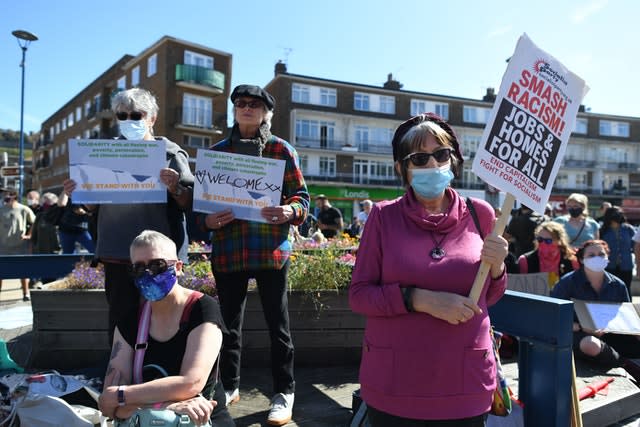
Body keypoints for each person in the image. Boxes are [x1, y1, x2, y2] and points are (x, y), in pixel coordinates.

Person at [349, 113, 508, 425]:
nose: (433, 165)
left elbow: (492, 295)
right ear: (402, 169)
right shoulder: (382, 217)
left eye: (441, 154)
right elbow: (359, 296)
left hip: (466, 381)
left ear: (454, 160)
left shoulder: (482, 214)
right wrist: (420, 300)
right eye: (420, 158)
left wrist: (499, 265)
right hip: (395, 384)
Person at [202, 84, 309, 426]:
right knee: (227, 326)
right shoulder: (217, 152)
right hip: (229, 251)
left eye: (254, 104)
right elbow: (200, 206)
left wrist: (289, 212)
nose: (247, 108)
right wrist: (207, 219)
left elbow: (302, 198)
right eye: (241, 103)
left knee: (278, 326)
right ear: (234, 110)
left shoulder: (281, 149)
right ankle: (229, 386)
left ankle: (284, 391)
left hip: (270, 251)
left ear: (266, 112)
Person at [62, 87, 194, 341]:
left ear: (152, 118)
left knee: (163, 315)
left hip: (159, 257)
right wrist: (78, 193)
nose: (129, 121)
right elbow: (91, 208)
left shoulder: (170, 153)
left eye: (137, 115)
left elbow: (190, 202)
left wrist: (175, 187)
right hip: (117, 251)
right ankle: (118, 371)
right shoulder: (101, 155)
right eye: (122, 116)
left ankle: (158, 369)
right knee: (121, 318)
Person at [97, 230, 234, 426]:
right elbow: (108, 404)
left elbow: (191, 383)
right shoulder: (129, 321)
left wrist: (124, 396)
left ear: (178, 267)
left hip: (201, 419)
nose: (148, 273)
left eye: (156, 265)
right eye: (138, 268)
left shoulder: (202, 309)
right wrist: (167, 406)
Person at [550, 240, 640, 383]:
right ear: (581, 259)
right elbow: (553, 316)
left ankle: (617, 358)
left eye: (601, 254)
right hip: (578, 334)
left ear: (607, 257)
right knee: (591, 345)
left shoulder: (618, 284)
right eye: (591, 255)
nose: (597, 258)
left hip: (610, 333)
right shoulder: (567, 283)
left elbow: (627, 316)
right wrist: (581, 327)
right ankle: (624, 364)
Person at [517, 221, 578, 287]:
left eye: (548, 241)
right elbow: (522, 287)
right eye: (540, 239)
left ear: (559, 241)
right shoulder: (525, 260)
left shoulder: (572, 260)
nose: (543, 243)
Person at [0, 188, 36, 301]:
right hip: (3, 246)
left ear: (13, 196)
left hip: (20, 246)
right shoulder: (1, 210)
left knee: (23, 271)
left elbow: (35, 222)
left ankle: (25, 294)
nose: (4, 197)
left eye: (7, 194)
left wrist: (29, 235)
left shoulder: (24, 209)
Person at [600, 206, 635, 294]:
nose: (618, 216)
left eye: (619, 214)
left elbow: (635, 246)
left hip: (626, 265)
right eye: (615, 214)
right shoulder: (603, 231)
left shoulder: (628, 229)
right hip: (609, 265)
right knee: (609, 290)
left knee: (626, 289)